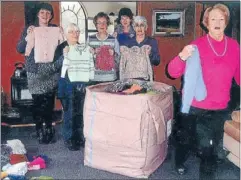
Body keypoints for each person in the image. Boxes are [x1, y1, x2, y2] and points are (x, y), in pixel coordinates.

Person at [167, 3, 240, 176]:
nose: (217, 22)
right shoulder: (197, 45)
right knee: (186, 140)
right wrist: (181, 56)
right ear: (206, 22)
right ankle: (179, 160)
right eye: (213, 18)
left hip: (219, 108)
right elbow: (172, 71)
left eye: (221, 19)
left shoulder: (235, 46)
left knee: (210, 151)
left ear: (226, 22)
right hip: (194, 105)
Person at [16, 3, 63, 144]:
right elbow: (20, 49)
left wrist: (62, 35)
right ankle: (39, 129)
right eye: (42, 12)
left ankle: (49, 129)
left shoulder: (55, 29)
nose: (45, 15)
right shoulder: (30, 29)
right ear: (38, 14)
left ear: (51, 16)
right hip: (35, 71)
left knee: (49, 103)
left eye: (48, 13)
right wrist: (27, 36)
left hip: (50, 70)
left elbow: (62, 47)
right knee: (37, 103)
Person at [55, 23, 93, 151]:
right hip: (66, 84)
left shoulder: (82, 48)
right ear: (66, 34)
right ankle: (69, 138)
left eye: (77, 31)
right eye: (71, 32)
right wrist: (63, 56)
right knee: (69, 112)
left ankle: (79, 137)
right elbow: (54, 67)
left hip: (80, 83)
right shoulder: (61, 47)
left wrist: (91, 53)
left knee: (80, 111)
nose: (75, 34)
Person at [88, 12, 120, 83]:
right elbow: (84, 59)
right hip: (94, 78)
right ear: (96, 25)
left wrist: (114, 54)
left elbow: (119, 60)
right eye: (99, 22)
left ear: (107, 25)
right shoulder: (90, 39)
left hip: (110, 78)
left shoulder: (113, 39)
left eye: (104, 22)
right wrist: (93, 53)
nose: (102, 25)